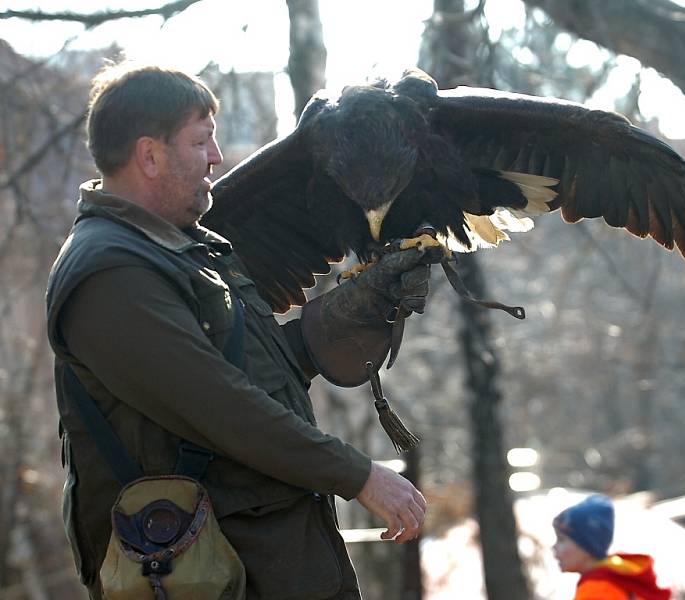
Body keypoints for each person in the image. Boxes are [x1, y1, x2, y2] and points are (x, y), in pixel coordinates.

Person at [46, 62, 433, 599]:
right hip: (202, 572)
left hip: (264, 561)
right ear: (150, 155)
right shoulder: (109, 273)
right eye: (200, 141)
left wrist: (355, 309)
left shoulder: (186, 249)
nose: (216, 157)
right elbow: (219, 406)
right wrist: (358, 475)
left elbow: (258, 372)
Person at [552, 494, 671, 600]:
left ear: (587, 545)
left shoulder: (595, 592)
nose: (554, 547)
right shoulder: (622, 578)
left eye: (561, 540)